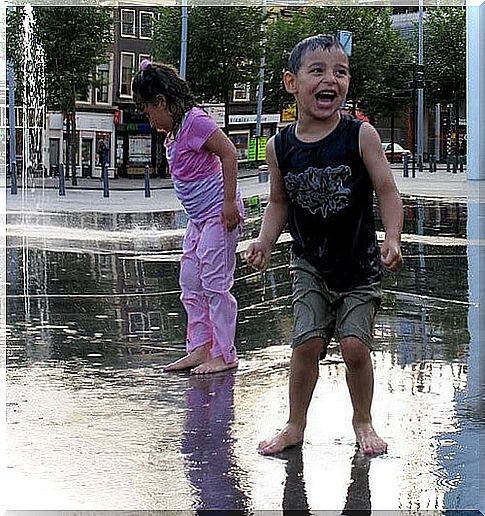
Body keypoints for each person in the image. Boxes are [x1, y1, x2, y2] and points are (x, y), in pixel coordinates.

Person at [245, 34, 403, 455]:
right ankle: (295, 424)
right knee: (306, 344)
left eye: (340, 71)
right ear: (291, 82)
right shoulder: (279, 146)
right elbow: (279, 201)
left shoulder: (360, 136)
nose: (330, 79)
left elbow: (387, 191)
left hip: (358, 264)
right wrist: (263, 240)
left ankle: (363, 420)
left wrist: (391, 237)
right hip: (309, 263)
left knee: (353, 347)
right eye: (317, 70)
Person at [132, 59, 244, 374]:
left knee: (215, 283)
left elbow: (229, 153)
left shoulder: (195, 122)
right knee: (191, 282)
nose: (147, 116)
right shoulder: (176, 131)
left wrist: (228, 202)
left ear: (161, 102)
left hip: (218, 217)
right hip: (198, 221)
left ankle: (225, 353)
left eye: (147, 109)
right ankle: (200, 348)